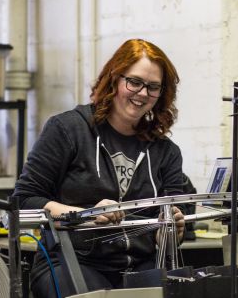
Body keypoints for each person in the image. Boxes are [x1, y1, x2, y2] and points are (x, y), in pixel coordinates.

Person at [13, 38, 186, 297]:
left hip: (141, 267)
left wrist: (171, 232)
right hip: (73, 263)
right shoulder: (68, 130)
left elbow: (175, 224)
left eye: (153, 87)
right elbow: (24, 200)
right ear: (114, 78)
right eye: (135, 82)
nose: (142, 93)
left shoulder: (166, 152)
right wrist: (84, 216)